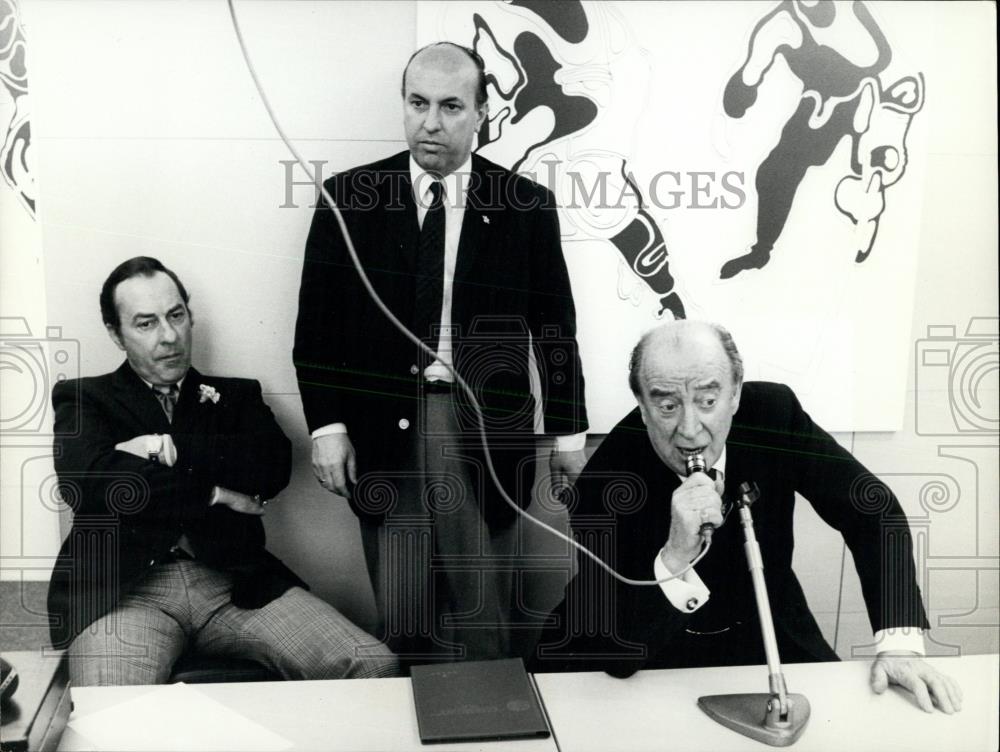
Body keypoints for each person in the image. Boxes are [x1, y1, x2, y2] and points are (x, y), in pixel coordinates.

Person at [293, 42, 588, 664]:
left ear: (482, 113)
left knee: (485, 613)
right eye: (418, 103)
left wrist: (566, 437)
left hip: (483, 429)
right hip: (383, 427)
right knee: (403, 611)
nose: (431, 122)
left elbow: (554, 329)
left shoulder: (524, 206)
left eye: (451, 106)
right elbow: (315, 330)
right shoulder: (350, 199)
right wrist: (327, 426)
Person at [531, 320, 962, 715]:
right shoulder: (603, 481)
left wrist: (901, 645)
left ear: (735, 393)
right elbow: (618, 648)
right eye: (666, 407)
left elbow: (872, 510)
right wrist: (675, 555)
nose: (689, 429)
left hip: (766, 627)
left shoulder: (774, 415)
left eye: (708, 400)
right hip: (653, 648)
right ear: (642, 407)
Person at [48, 256, 399, 686]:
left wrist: (161, 449)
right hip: (128, 595)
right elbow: (89, 483)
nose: (169, 336)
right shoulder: (85, 398)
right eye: (146, 323)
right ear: (115, 334)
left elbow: (270, 465)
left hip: (235, 587)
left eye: (176, 315)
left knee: (372, 665)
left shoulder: (237, 396)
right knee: (109, 710)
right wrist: (216, 493)